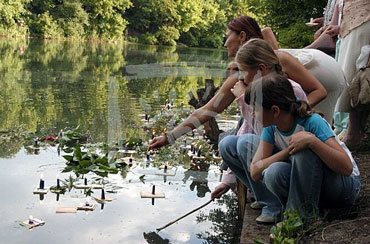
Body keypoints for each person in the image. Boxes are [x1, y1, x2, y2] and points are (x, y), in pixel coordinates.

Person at [246, 74, 361, 222]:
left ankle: (299, 220)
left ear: (275, 111)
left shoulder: (312, 122)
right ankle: (305, 212)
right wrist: (288, 150)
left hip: (346, 187)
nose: (252, 114)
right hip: (317, 186)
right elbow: (255, 171)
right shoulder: (271, 127)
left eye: (255, 109)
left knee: (305, 150)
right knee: (273, 173)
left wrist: (312, 142)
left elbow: (346, 168)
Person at [334, 0, 370, 148]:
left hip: (363, 22)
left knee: (356, 76)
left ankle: (354, 132)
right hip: (351, 26)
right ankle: (355, 131)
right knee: (352, 78)